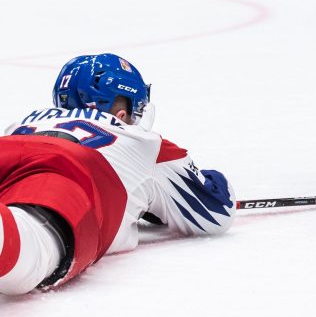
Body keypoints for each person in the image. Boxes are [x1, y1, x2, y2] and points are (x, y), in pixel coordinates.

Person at [0, 54, 233, 295]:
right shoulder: (146, 144)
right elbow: (217, 212)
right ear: (121, 113)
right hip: (64, 175)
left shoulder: (21, 124)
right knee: (32, 254)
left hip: (7, 154)